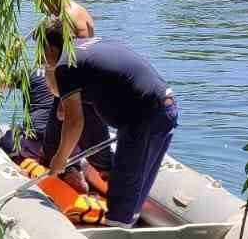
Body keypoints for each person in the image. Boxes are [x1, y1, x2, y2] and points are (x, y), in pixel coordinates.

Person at [41, 23, 178, 226]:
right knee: (136, 186)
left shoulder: (65, 64)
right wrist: (62, 99)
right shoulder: (88, 46)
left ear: (51, 48)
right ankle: (128, 223)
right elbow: (95, 84)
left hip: (143, 117)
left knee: (123, 190)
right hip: (164, 108)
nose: (41, 58)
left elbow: (74, 122)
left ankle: (118, 232)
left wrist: (60, 158)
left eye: (41, 51)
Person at [0, 0, 109, 183]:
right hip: (77, 87)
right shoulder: (73, 12)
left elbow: (52, 61)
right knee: (57, 143)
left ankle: (75, 175)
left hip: (74, 89)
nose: (40, 7)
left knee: (64, 144)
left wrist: (13, 56)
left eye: (40, 0)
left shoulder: (67, 20)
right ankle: (73, 172)